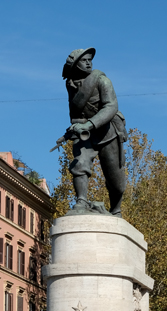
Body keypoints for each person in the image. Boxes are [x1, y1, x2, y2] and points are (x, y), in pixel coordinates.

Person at [62, 48, 128, 217]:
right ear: (75, 65)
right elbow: (75, 112)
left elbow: (111, 106)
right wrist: (74, 128)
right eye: (85, 60)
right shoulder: (70, 84)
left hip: (107, 131)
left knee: (116, 181)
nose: (89, 63)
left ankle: (116, 210)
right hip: (83, 132)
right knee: (79, 164)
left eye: (90, 59)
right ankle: (81, 201)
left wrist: (90, 125)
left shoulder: (102, 80)